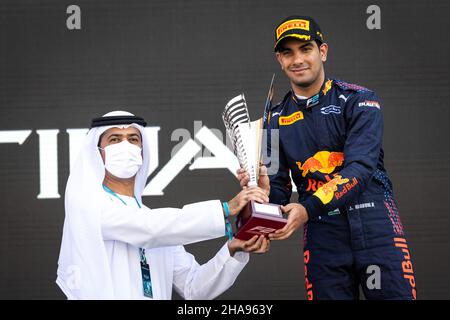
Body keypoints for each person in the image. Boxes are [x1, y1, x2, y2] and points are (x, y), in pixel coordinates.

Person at [237, 15, 416, 300]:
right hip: (323, 236)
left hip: (375, 224)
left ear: (323, 51)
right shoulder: (272, 120)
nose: (297, 60)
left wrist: (306, 209)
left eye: (305, 49)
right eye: (288, 53)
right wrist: (258, 202)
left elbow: (360, 169)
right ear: (279, 60)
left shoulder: (360, 100)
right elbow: (277, 190)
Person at [56, 110, 270, 300]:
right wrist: (224, 208)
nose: (125, 145)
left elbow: (194, 288)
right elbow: (148, 228)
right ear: (97, 152)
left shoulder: (158, 225)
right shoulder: (89, 206)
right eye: (114, 139)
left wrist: (233, 250)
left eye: (133, 139)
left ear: (142, 150)